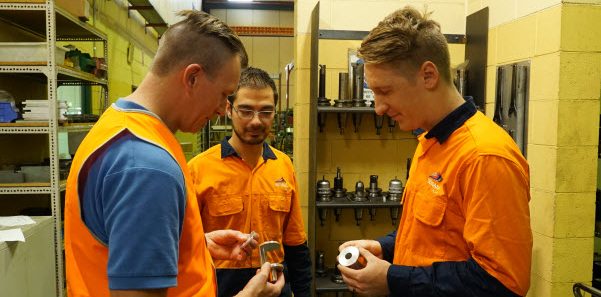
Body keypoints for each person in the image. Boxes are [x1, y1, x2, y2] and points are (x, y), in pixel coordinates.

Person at [64, 11, 284, 297]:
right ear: (192, 77)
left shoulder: (119, 126)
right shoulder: (147, 167)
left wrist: (193, 244)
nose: (222, 110)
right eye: (223, 95)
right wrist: (250, 294)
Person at [337, 7, 532, 297]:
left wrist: (392, 279)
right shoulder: (430, 142)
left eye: (386, 91)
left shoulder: (485, 156)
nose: (378, 108)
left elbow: (502, 283)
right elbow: (433, 239)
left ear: (428, 75)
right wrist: (383, 248)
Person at [188, 67, 311, 297]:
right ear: (228, 108)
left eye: (266, 112)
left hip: (275, 284)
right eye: (246, 110)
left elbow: (296, 246)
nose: (256, 121)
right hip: (220, 286)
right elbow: (185, 246)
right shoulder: (199, 169)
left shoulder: (283, 165)